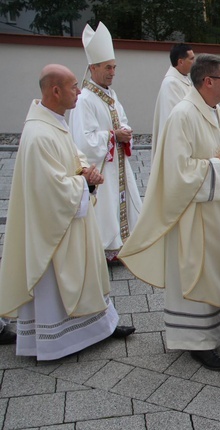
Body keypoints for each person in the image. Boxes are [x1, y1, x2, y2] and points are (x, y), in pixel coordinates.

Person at [119, 54, 220, 371]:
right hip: (192, 214)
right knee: (195, 273)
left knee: (212, 272)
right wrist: (218, 166)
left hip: (214, 210)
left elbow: (218, 150)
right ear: (208, 82)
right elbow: (178, 172)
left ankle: (210, 334)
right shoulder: (183, 115)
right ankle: (194, 342)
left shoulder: (212, 110)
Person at [0, 64, 134, 361]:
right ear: (55, 90)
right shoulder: (38, 134)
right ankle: (56, 342)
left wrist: (85, 168)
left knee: (89, 274)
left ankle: (101, 328)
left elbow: (71, 157)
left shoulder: (54, 122)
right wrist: (84, 181)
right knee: (57, 284)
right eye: (74, 86)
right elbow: (50, 190)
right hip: (53, 231)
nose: (79, 91)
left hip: (73, 220)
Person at [69, 22, 142, 261]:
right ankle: (102, 250)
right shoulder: (84, 100)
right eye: (108, 67)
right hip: (100, 167)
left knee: (120, 203)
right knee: (105, 207)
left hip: (116, 162)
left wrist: (125, 131)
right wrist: (113, 136)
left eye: (114, 67)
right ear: (93, 68)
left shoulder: (111, 95)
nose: (113, 72)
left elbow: (123, 119)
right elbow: (84, 141)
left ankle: (120, 246)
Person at [152, 43, 195, 152]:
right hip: (175, 143)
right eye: (191, 59)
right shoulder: (171, 83)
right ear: (181, 61)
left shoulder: (184, 79)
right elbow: (174, 118)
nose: (194, 62)